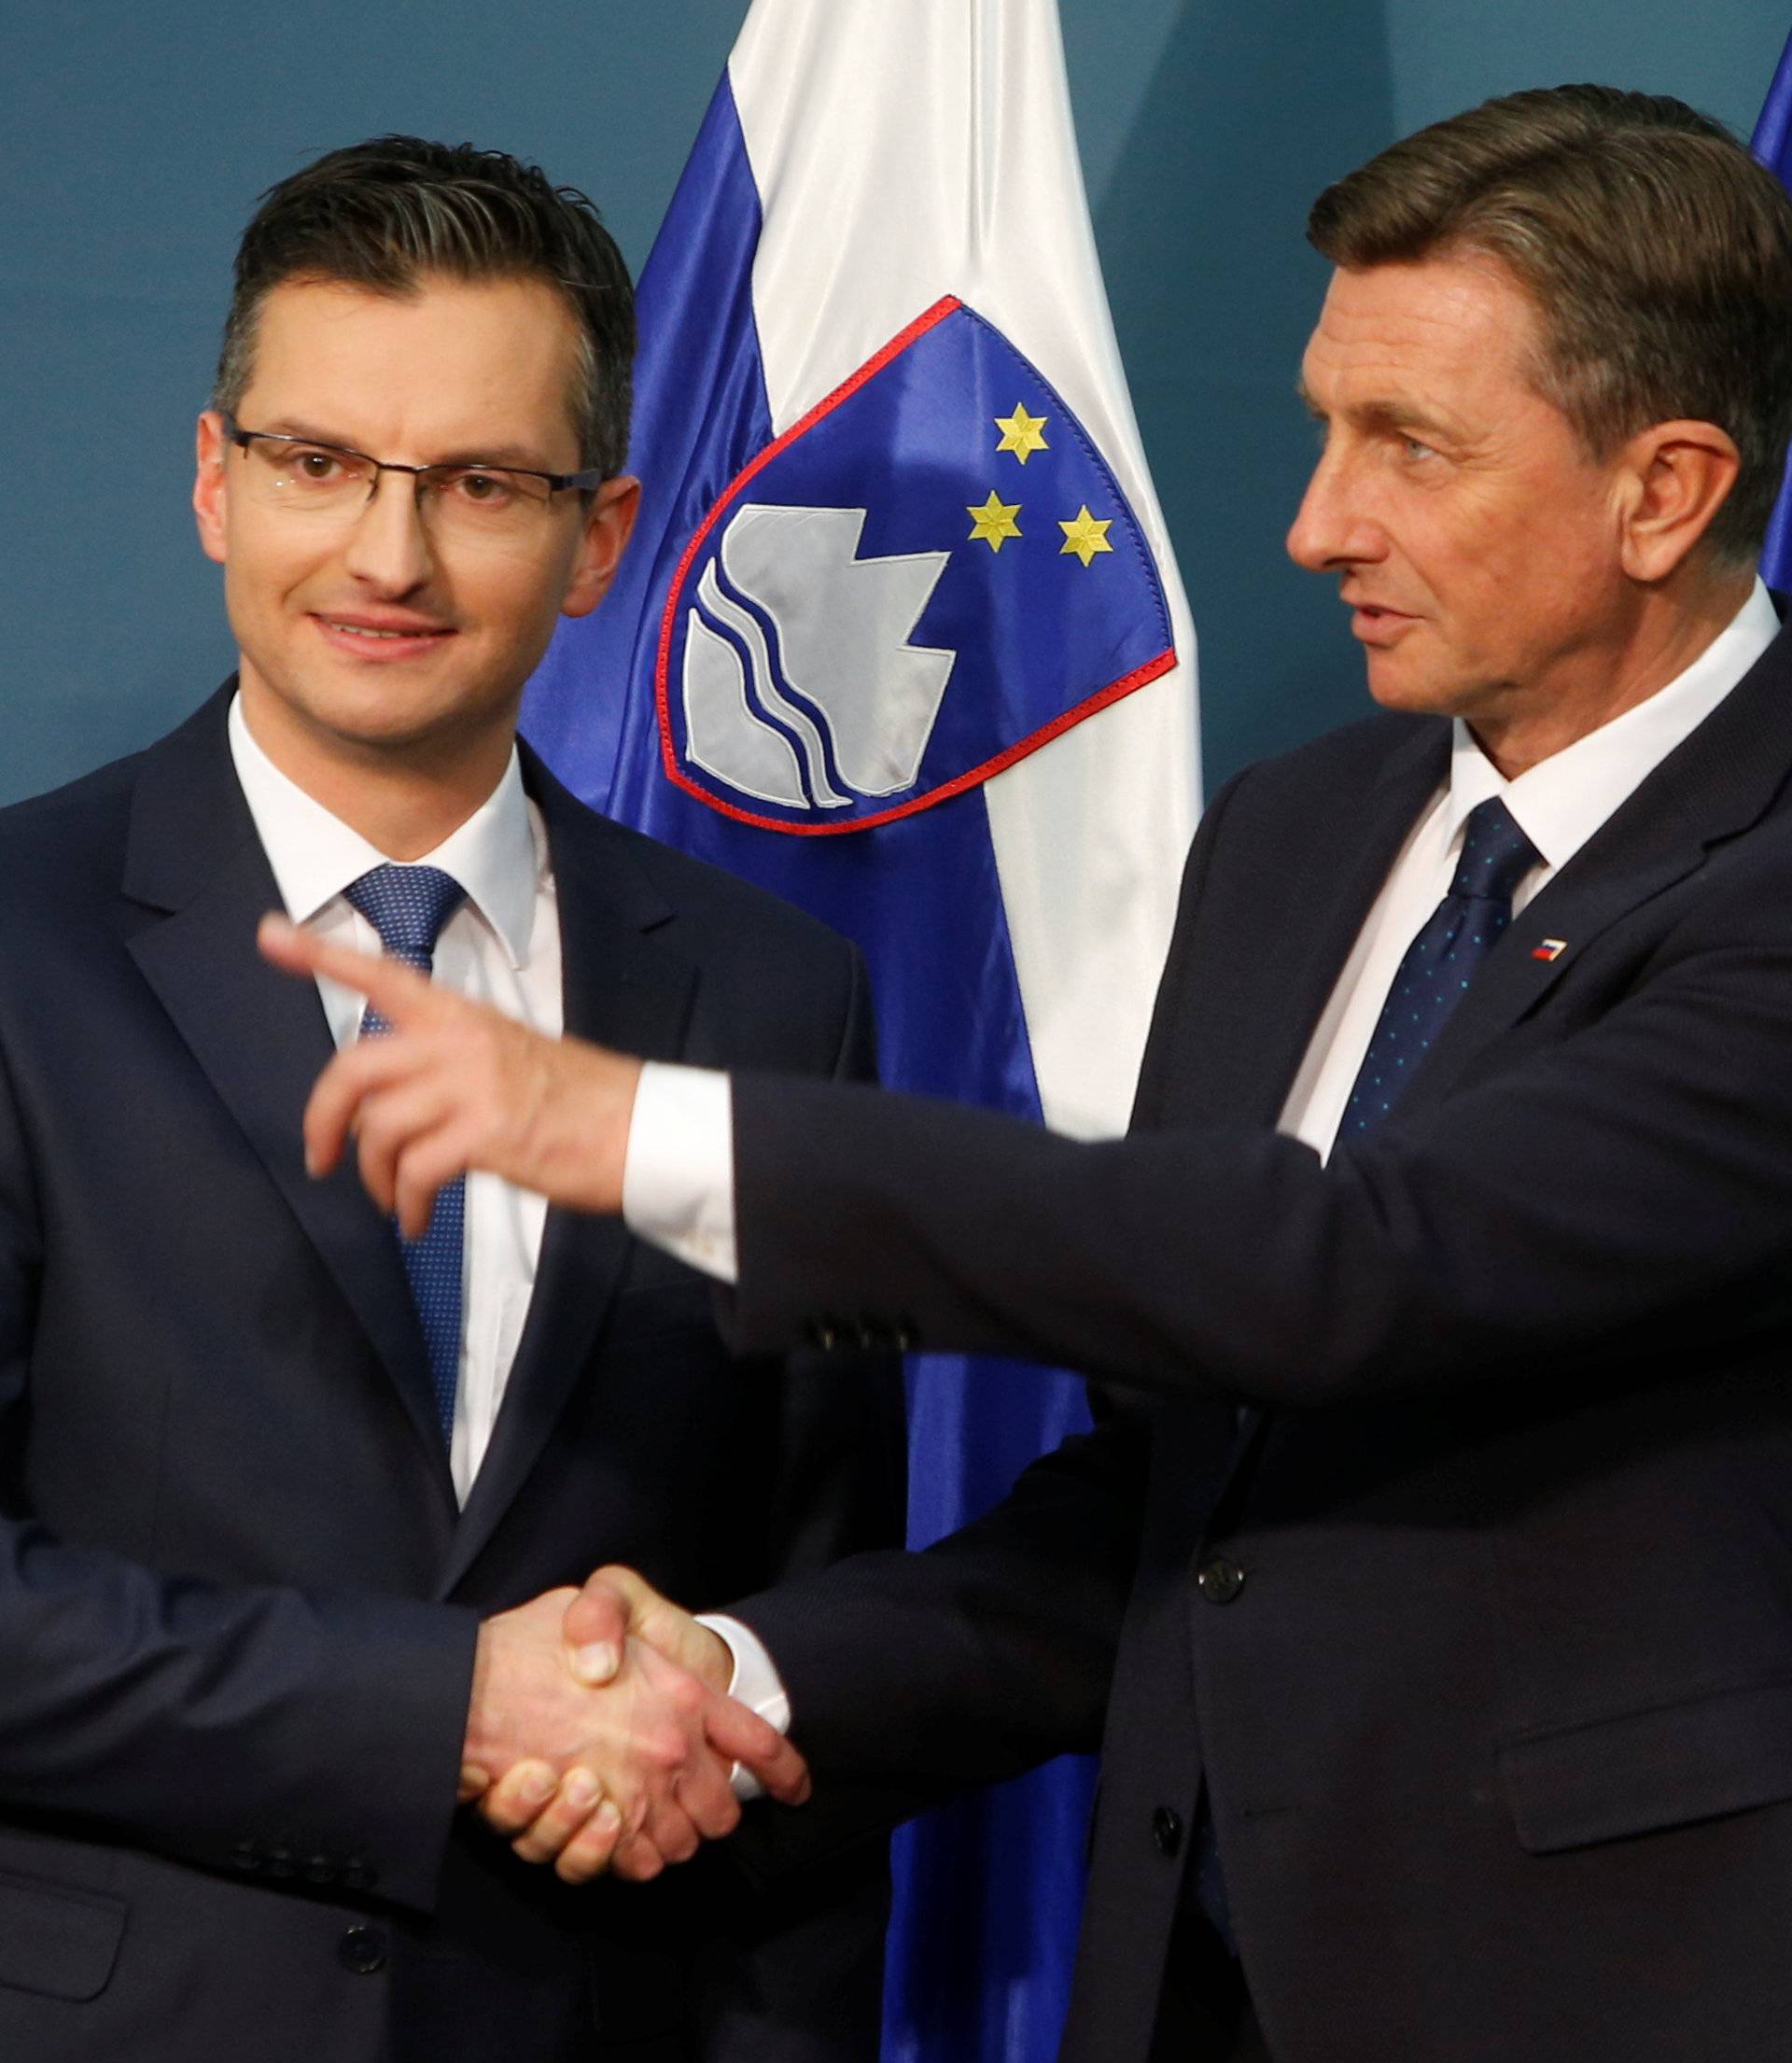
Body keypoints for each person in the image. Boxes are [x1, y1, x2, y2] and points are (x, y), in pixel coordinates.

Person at [264, 86, 1792, 2063]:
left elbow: (1354, 1268)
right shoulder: (1301, 835)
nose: (1317, 521)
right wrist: (749, 1671)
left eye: (1407, 446)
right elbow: (1188, 1481)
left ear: (1662, 491)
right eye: (1329, 425)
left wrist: (623, 1121)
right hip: (1185, 1985)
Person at [0, 134, 905, 2063]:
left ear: (601, 537)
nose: (389, 557)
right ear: (212, 481)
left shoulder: (771, 992)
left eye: (481, 484)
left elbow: (818, 1617)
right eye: (320, 463)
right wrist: (442, 1708)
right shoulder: (16, 938)